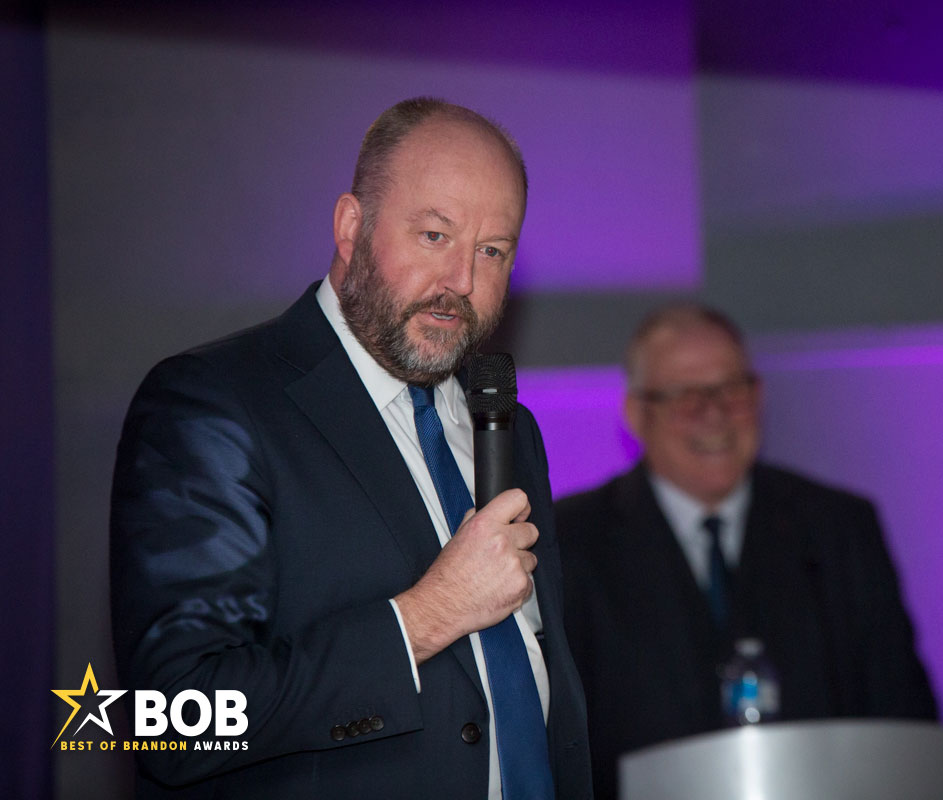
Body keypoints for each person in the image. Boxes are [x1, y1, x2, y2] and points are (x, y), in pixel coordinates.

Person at [110, 98, 591, 799]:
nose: (461, 281)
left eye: (492, 251)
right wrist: (426, 617)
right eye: (435, 235)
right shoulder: (215, 403)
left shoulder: (508, 425)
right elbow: (170, 721)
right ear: (350, 227)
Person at [556, 304, 937, 799]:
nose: (714, 413)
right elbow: (556, 748)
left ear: (758, 396)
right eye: (685, 395)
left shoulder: (839, 528)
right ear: (636, 414)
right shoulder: (569, 542)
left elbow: (905, 726)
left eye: (731, 390)